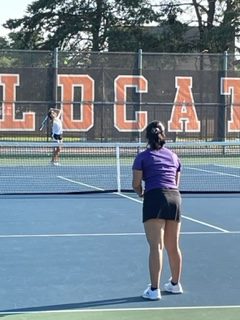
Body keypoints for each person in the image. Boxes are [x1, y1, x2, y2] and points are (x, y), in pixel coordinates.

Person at [132, 120, 183, 300]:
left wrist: (142, 194)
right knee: (173, 246)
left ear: (147, 136)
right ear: (163, 135)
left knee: (156, 246)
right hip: (174, 199)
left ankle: (154, 290)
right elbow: (175, 183)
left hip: (155, 198)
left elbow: (136, 184)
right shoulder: (174, 156)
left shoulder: (142, 157)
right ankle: (175, 284)